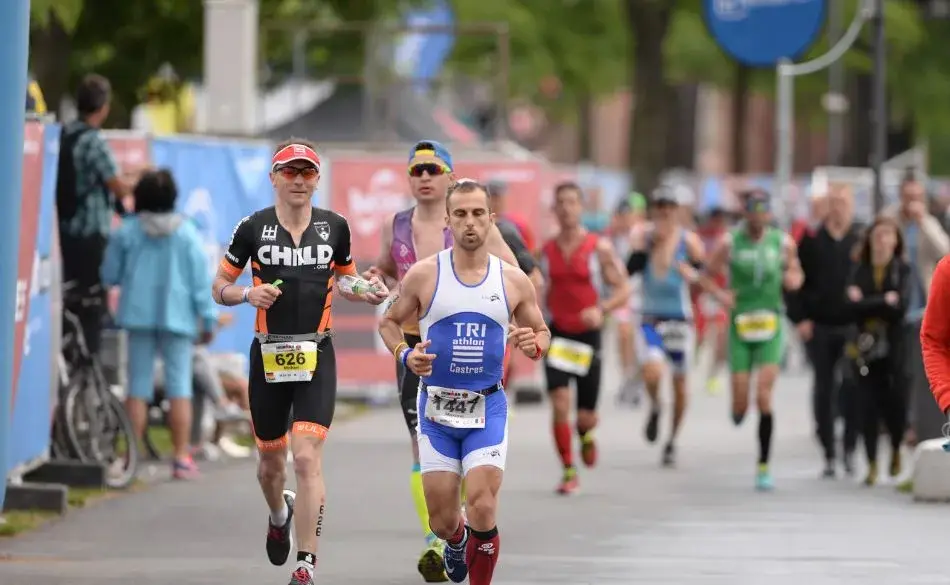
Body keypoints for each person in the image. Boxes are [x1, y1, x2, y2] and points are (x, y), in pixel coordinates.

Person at [212, 139, 389, 585]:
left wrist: (369, 292)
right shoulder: (252, 228)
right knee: (271, 465)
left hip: (317, 353)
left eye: (306, 173)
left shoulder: (335, 227)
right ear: (273, 178)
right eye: (289, 173)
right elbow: (220, 287)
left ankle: (306, 564)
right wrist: (248, 294)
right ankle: (278, 514)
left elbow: (347, 282)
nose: (298, 180)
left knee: (306, 458)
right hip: (269, 353)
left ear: (317, 180)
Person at [378, 179, 550, 585]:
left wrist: (534, 344)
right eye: (461, 214)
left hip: (486, 406)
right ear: (448, 220)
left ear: (491, 220)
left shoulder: (511, 280)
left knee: (483, 508)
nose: (469, 222)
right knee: (442, 521)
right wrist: (405, 354)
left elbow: (541, 331)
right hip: (436, 409)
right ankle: (455, 543)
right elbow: (389, 322)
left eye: (478, 214)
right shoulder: (424, 275)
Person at [100, 169, 216, 479]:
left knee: (137, 386)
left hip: (137, 315)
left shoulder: (126, 232)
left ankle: (130, 460)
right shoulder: (187, 233)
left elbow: (109, 275)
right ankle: (180, 458)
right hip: (179, 319)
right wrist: (208, 318)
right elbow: (200, 283)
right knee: (180, 388)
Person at [705, 190, 803, 490]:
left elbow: (797, 273)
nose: (759, 217)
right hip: (741, 324)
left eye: (764, 211)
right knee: (740, 397)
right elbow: (706, 275)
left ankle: (763, 464)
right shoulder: (729, 242)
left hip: (770, 323)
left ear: (769, 214)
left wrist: (792, 281)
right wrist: (721, 294)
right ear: (745, 213)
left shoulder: (782, 242)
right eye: (753, 211)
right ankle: (737, 408)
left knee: (763, 395)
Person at [540, 182, 630, 494]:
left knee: (585, 417)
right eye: (560, 202)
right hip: (557, 336)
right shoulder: (546, 251)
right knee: (560, 401)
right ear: (554, 209)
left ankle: (586, 435)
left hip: (588, 335)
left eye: (572, 202)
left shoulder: (599, 248)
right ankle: (568, 470)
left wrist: (601, 309)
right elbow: (537, 291)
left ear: (581, 208)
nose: (566, 208)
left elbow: (623, 289)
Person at [626, 186, 713, 468]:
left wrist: (693, 274)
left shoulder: (690, 241)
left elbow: (704, 276)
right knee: (652, 371)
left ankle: (672, 440)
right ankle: (654, 406)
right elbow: (630, 269)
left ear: (677, 211)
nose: (664, 211)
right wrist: (647, 246)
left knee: (679, 383)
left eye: (669, 206)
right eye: (659, 206)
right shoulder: (643, 235)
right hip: (651, 316)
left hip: (679, 320)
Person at [786, 183, 863, 478]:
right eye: (834, 201)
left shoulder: (859, 240)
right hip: (820, 326)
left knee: (854, 385)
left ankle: (850, 448)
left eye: (844, 201)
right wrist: (800, 319)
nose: (838, 207)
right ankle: (829, 450)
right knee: (823, 387)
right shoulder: (812, 241)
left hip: (852, 326)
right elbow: (794, 284)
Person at [58, 74, 133, 357]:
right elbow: (118, 186)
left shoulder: (66, 133)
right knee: (91, 304)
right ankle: (87, 364)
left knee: (70, 301)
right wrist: (139, 180)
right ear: (103, 107)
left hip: (66, 230)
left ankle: (69, 361)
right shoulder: (94, 141)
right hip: (90, 235)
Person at [845, 216, 911, 486]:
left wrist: (868, 302)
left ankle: (896, 448)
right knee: (866, 405)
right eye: (878, 235)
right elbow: (850, 306)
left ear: (896, 241)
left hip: (894, 347)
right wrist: (884, 300)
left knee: (895, 404)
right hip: (865, 347)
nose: (882, 240)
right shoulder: (859, 269)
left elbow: (901, 307)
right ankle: (871, 462)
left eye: (888, 235)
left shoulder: (902, 269)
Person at [610, 193, 647, 406]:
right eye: (621, 214)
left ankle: (637, 379)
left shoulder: (643, 234)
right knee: (623, 334)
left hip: (642, 296)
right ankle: (626, 376)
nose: (624, 218)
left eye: (629, 213)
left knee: (639, 341)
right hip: (623, 295)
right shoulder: (613, 237)